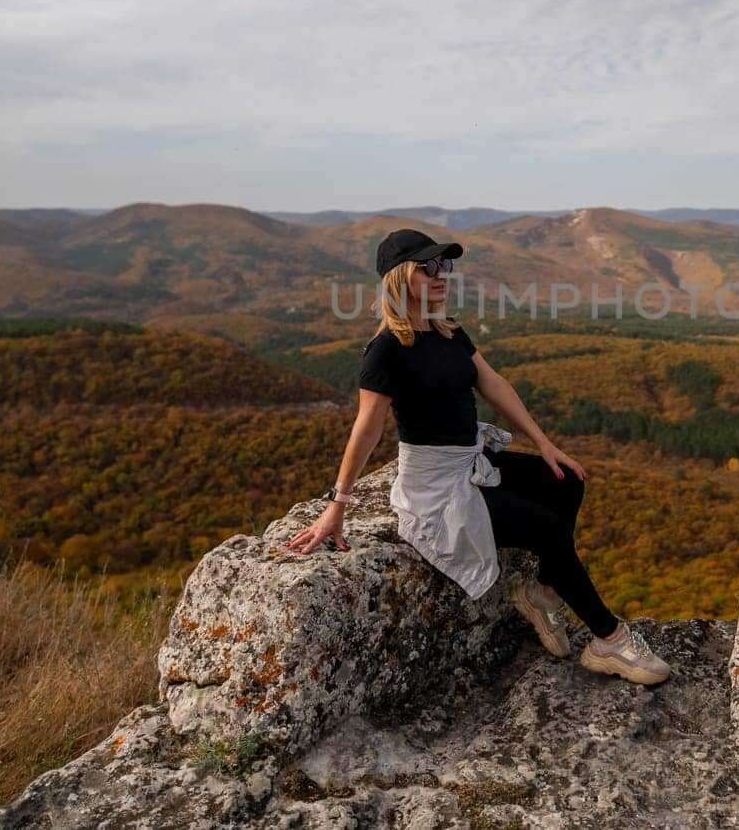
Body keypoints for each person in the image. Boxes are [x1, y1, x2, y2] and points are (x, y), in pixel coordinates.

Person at [286, 227, 671, 685]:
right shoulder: (388, 348)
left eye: (444, 265)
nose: (441, 274)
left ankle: (544, 594)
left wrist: (544, 443)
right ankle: (610, 640)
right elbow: (366, 427)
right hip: (435, 487)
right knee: (547, 529)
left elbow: (493, 384)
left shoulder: (449, 332)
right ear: (399, 279)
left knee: (566, 481)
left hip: (470, 463)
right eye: (428, 268)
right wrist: (337, 505)